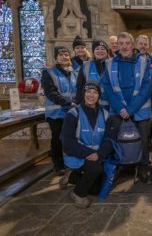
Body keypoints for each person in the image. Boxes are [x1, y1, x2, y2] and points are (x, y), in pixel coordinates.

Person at [101, 32, 152, 184]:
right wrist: (120, 108)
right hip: (118, 111)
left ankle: (143, 168)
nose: (124, 46)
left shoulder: (144, 62)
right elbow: (107, 87)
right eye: (121, 43)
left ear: (133, 45)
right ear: (117, 45)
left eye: (127, 43)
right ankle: (121, 166)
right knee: (118, 140)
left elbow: (146, 87)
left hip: (140, 111)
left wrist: (130, 109)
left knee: (143, 141)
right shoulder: (109, 63)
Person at [60, 81, 114, 208]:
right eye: (88, 91)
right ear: (83, 94)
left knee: (96, 190)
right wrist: (89, 153)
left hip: (96, 156)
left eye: (95, 92)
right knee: (96, 169)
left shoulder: (106, 114)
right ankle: (77, 193)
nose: (91, 95)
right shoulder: (73, 113)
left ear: (99, 96)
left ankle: (73, 176)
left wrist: (99, 154)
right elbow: (67, 143)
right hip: (77, 154)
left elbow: (109, 139)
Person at [41, 46, 77, 175]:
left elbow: (77, 91)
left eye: (66, 54)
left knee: (70, 138)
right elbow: (50, 92)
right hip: (56, 113)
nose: (64, 57)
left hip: (71, 112)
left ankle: (70, 163)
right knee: (58, 138)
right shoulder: (49, 72)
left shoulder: (74, 73)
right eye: (61, 55)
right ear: (56, 58)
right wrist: (68, 103)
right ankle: (58, 164)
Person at [75, 39, 109, 105]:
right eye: (97, 49)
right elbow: (80, 87)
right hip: (91, 105)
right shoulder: (86, 65)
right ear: (93, 52)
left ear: (107, 51)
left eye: (103, 49)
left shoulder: (113, 65)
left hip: (111, 107)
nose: (100, 51)